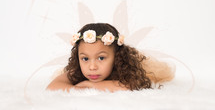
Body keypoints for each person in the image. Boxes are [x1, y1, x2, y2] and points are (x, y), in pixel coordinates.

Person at [46, 23, 175, 92]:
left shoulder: (124, 71)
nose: (92, 67)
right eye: (85, 59)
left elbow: (127, 87)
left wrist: (88, 84)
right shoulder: (78, 72)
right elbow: (52, 87)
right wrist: (76, 89)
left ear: (116, 57)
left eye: (101, 58)